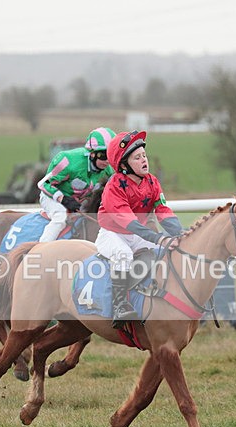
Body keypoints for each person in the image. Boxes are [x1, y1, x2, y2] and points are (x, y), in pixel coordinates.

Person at [96, 130, 183, 325]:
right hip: (113, 234)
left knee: (164, 251)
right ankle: (119, 306)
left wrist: (181, 233)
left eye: (144, 155)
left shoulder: (152, 181)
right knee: (123, 254)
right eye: (137, 157)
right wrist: (158, 237)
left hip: (136, 234)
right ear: (124, 165)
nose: (144, 160)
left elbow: (163, 210)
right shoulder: (115, 186)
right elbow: (129, 222)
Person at [36, 127, 115, 242]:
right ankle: (42, 248)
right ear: (91, 154)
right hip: (51, 197)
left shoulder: (108, 170)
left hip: (77, 202)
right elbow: (43, 184)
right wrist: (63, 199)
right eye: (103, 155)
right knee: (60, 218)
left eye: (110, 155)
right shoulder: (67, 160)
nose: (107, 161)